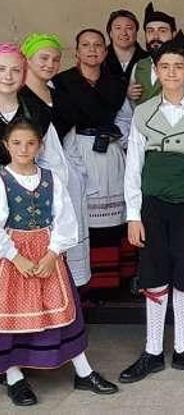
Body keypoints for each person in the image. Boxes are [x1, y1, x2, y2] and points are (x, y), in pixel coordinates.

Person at [118, 33, 184, 384]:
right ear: (156, 72)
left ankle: (182, 347)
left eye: (179, 66)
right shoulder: (143, 112)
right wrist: (133, 215)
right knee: (153, 272)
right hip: (152, 205)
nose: (172, 72)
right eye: (165, 67)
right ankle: (151, 350)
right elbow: (133, 166)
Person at [0, 117, 118, 407]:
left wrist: (53, 253)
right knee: (8, 319)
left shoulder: (51, 179)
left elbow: (66, 219)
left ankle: (83, 371)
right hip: (13, 260)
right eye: (16, 143)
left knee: (62, 314)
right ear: (6, 146)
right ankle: (14, 376)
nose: (23, 149)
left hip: (47, 256)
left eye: (30, 143)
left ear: (40, 147)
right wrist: (16, 257)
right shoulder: (1, 181)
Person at [53, 29, 128, 290]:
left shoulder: (116, 83)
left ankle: (114, 281)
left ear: (105, 52)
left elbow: (124, 118)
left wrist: (119, 137)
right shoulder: (62, 82)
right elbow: (60, 122)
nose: (92, 49)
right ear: (77, 51)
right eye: (85, 45)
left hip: (110, 150)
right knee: (84, 215)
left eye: (98, 45)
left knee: (113, 216)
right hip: (78, 150)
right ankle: (87, 283)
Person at [20, 34, 91, 287]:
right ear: (27, 60)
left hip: (65, 177)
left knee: (63, 239)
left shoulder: (59, 94)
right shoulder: (21, 98)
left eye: (55, 59)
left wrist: (78, 174)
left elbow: (69, 139)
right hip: (32, 180)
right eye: (44, 58)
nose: (50, 64)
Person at [128, 3, 184, 105]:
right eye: (150, 31)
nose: (155, 36)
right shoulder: (138, 67)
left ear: (173, 34)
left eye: (162, 31)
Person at [104, 9, 149, 83]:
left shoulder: (148, 59)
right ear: (110, 33)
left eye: (129, 28)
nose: (124, 33)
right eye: (118, 28)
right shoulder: (100, 59)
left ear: (136, 32)